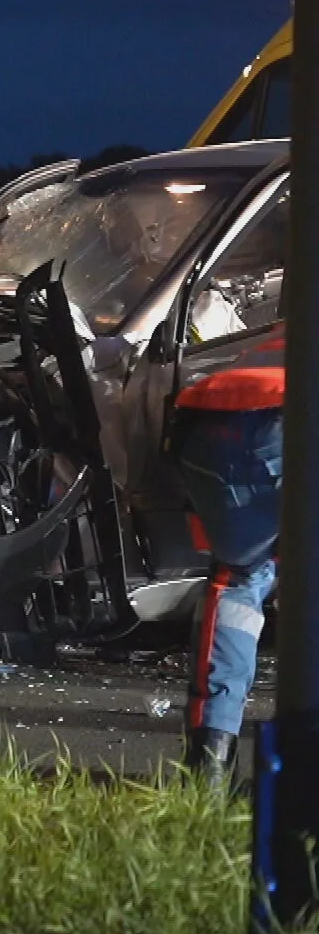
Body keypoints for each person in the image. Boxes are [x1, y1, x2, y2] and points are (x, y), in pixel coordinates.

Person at [170, 334, 283, 785]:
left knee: (236, 582)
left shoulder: (283, 331)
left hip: (210, 437)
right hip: (290, 425)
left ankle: (207, 772)